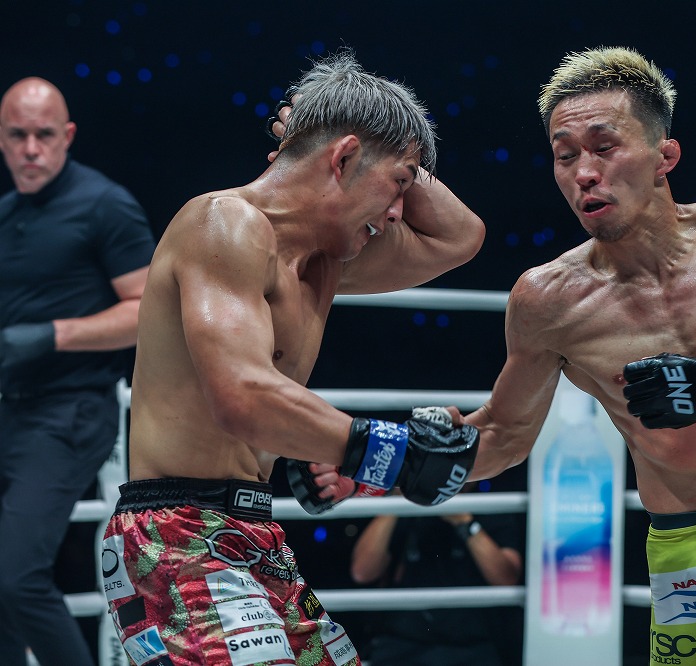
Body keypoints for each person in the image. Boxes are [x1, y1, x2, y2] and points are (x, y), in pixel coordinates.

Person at [299, 46, 696, 665]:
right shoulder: (548, 300)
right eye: (565, 155)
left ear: (664, 157)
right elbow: (503, 435)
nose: (584, 173)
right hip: (684, 556)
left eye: (604, 148)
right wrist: (378, 464)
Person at [100, 51, 484, 665]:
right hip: (176, 537)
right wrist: (387, 451)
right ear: (344, 159)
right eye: (399, 183)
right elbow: (242, 396)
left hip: (254, 532)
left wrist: (360, 136)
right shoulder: (223, 224)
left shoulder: (324, 263)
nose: (398, 211)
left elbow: (460, 237)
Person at [0, 77, 155, 666]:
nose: (31, 149)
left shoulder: (103, 204)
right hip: (11, 410)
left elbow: (148, 312)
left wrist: (52, 336)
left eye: (44, 135)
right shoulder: (7, 214)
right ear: (1, 138)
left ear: (66, 135)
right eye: (18, 135)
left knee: (17, 577)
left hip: (71, 411)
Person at [350, 485, 524, 666]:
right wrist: (397, 504)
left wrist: (466, 523)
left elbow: (506, 579)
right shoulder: (407, 505)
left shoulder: (490, 504)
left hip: (471, 646)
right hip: (402, 643)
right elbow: (362, 572)